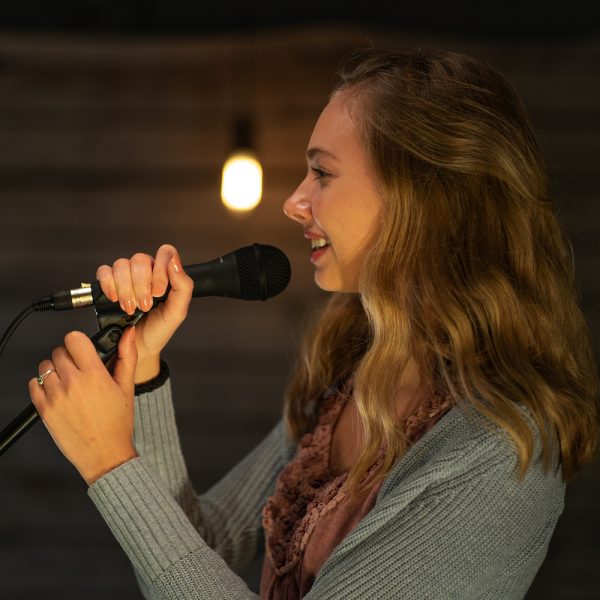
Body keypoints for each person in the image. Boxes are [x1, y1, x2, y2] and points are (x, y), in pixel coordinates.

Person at [28, 48, 599, 599]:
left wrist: (109, 463)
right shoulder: (352, 376)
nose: (294, 202)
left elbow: (176, 562)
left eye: (322, 173)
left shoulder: (499, 444)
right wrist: (143, 369)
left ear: (422, 197)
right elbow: (199, 547)